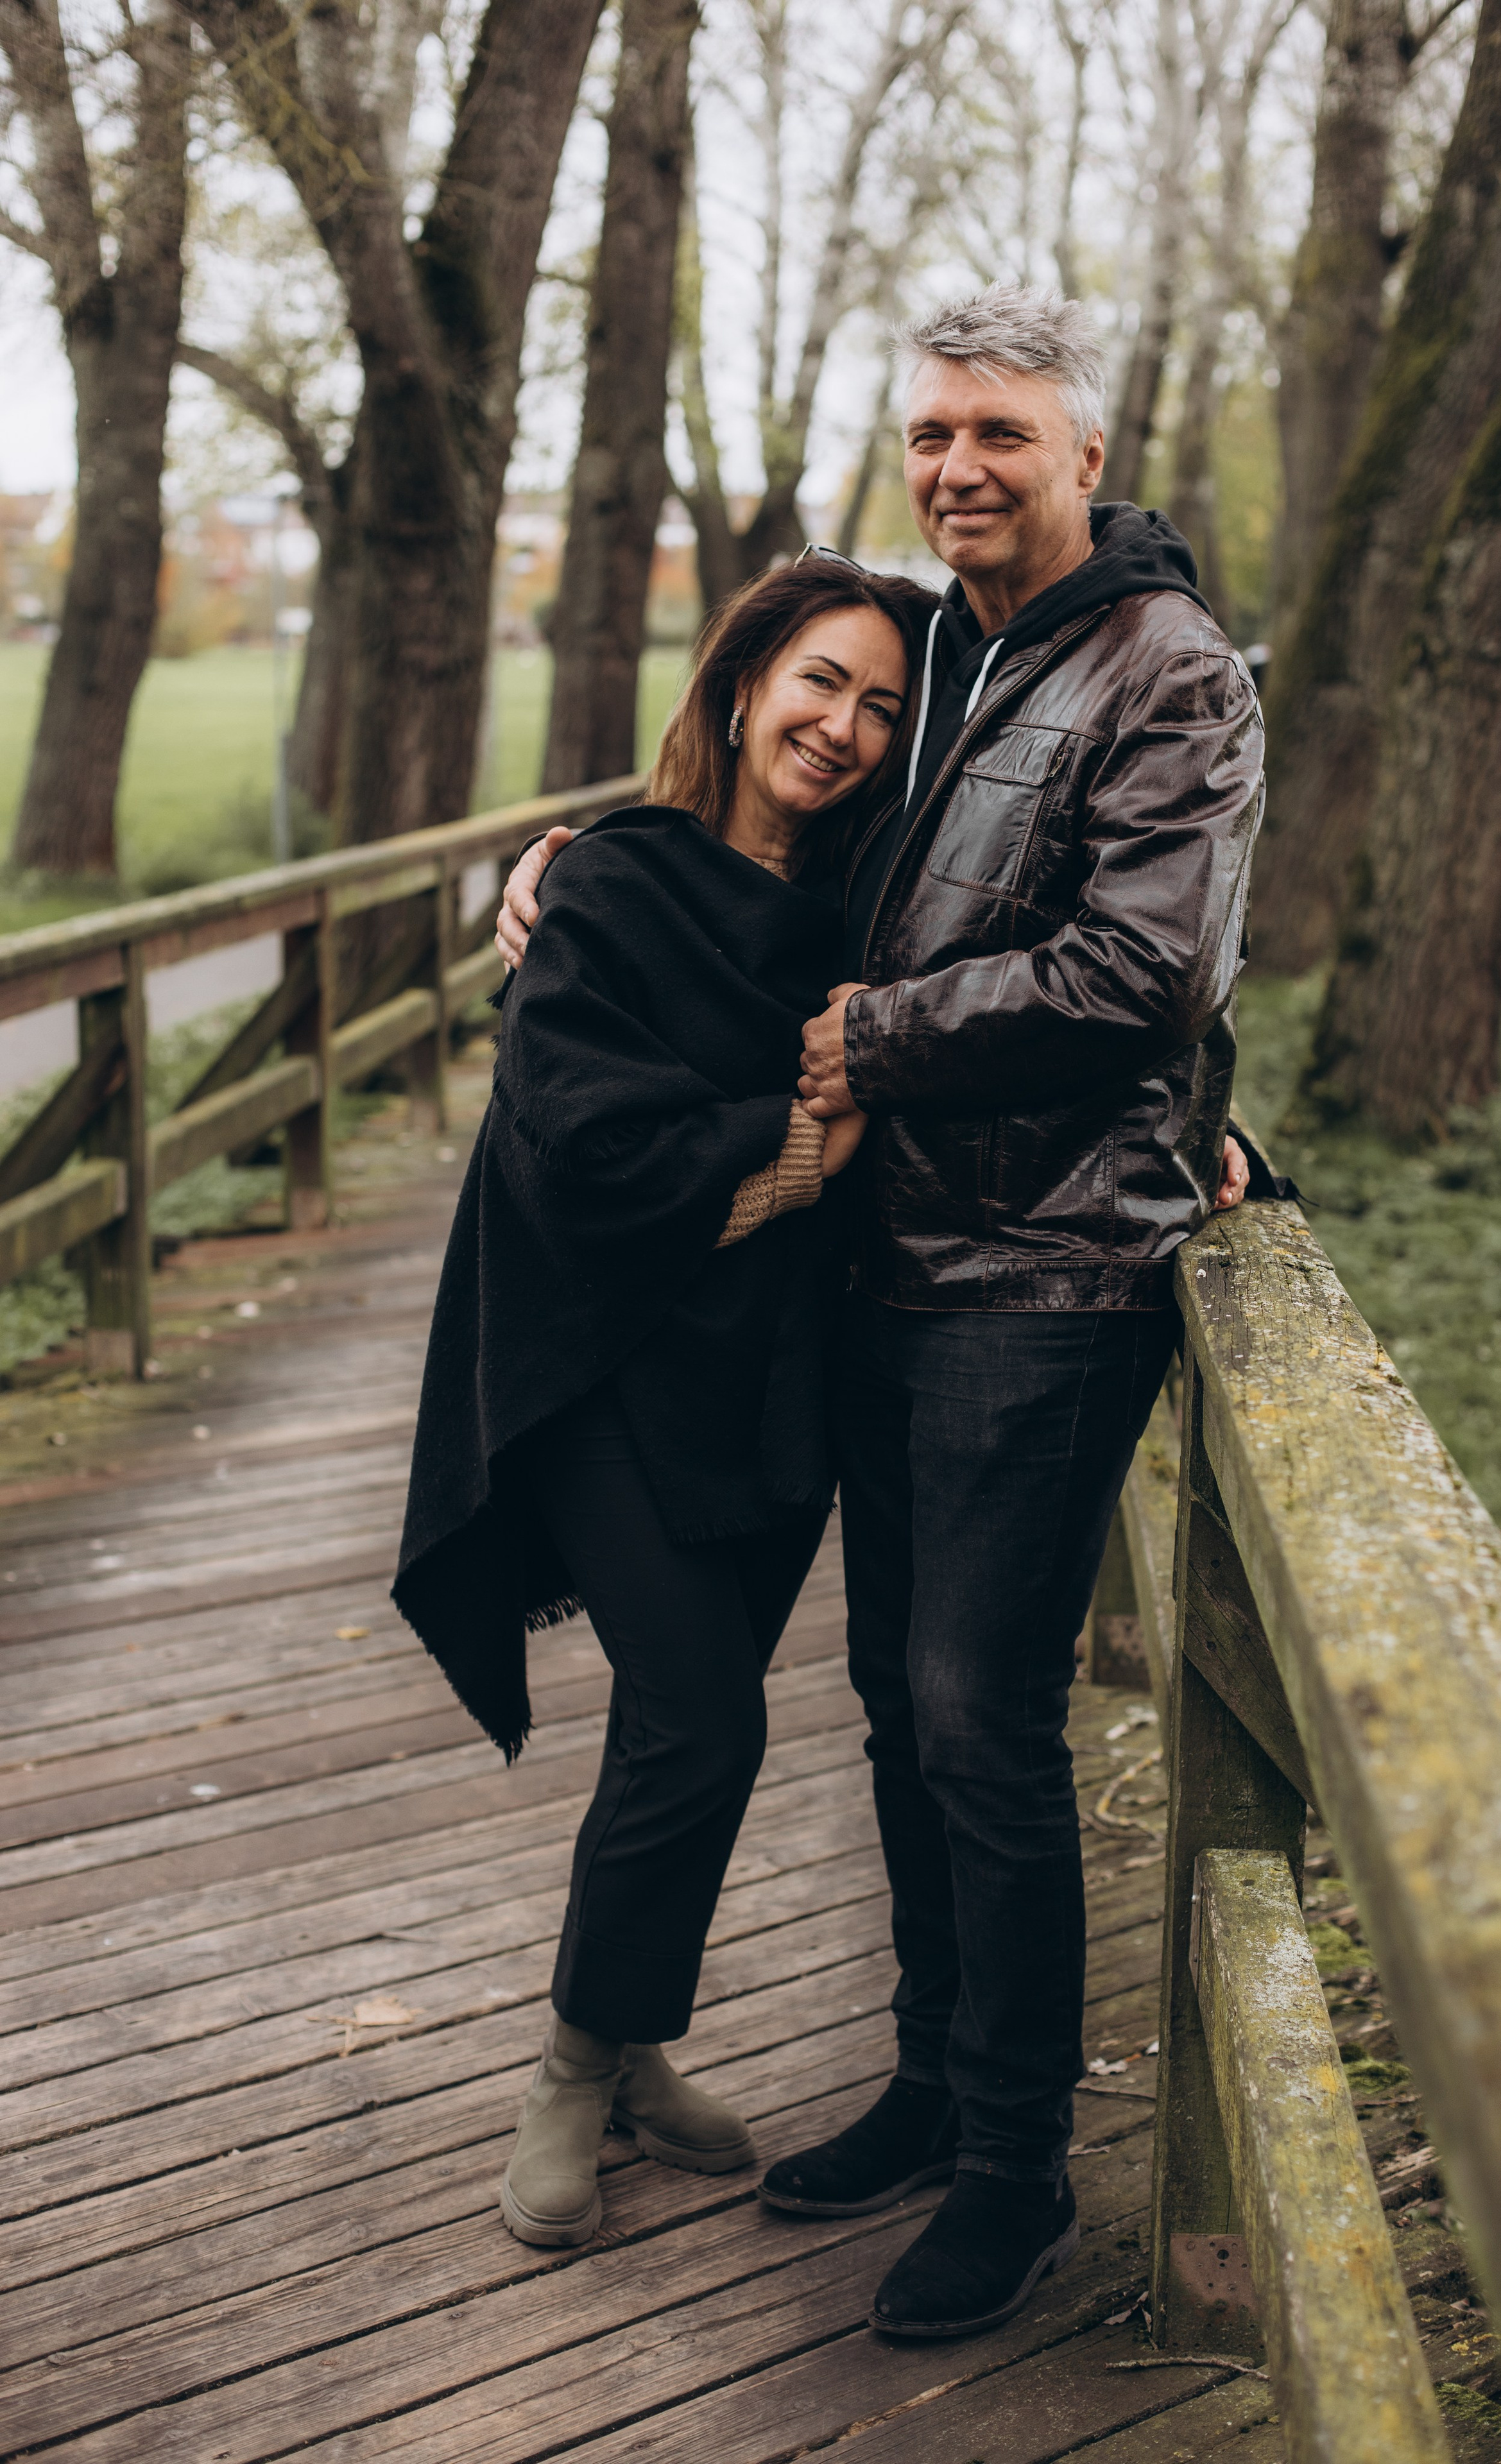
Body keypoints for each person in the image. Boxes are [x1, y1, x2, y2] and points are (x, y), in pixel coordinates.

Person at [495, 282, 1261, 2340]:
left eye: (1002, 435)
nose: (960, 469)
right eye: (934, 436)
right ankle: (930, 2083)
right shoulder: (945, 652)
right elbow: (776, 772)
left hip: (1042, 1280)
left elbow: (1139, 974)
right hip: (884, 1275)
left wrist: (875, 1040)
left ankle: (1013, 2167)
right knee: (900, 1720)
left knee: (982, 1728)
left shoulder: (1169, 670)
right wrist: (574, 855)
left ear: (1087, 455)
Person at [394, 556, 937, 2250]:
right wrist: (798, 1153)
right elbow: (579, 1142)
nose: (842, 727)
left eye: (884, 710)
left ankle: (625, 2049)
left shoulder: (871, 921)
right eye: (820, 682)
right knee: (709, 1718)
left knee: (673, 1727)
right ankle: (568, 2071)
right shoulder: (613, 883)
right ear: (741, 679)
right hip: (596, 1366)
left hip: (772, 1380)